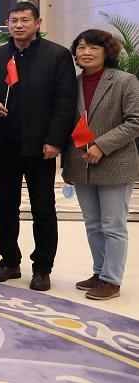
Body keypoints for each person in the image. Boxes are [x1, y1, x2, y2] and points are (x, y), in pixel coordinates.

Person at [0, 1, 77, 291]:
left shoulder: (57, 55)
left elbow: (65, 101)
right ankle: (9, 261)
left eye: (25, 20)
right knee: (5, 207)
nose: (19, 25)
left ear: (38, 23)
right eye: (14, 20)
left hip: (41, 147)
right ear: (8, 24)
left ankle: (42, 267)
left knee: (43, 208)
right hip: (4, 145)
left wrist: (55, 140)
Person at [62, 29, 139, 301]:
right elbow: (68, 126)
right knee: (93, 223)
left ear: (107, 51)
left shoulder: (125, 81)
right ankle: (99, 272)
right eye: (81, 47)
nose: (86, 52)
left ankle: (112, 280)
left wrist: (101, 146)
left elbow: (135, 121)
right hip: (81, 163)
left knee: (113, 225)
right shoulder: (72, 83)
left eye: (93, 47)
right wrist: (67, 166)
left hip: (115, 162)